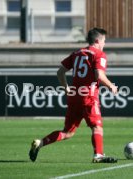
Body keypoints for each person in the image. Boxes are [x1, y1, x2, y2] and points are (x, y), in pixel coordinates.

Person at [29, 28, 118, 163]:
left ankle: (40, 143)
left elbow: (60, 72)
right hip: (88, 97)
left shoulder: (77, 53)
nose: (104, 44)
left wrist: (66, 88)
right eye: (104, 41)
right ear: (97, 41)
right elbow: (98, 74)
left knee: (68, 132)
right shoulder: (99, 54)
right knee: (96, 127)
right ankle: (98, 155)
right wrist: (111, 85)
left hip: (74, 97)